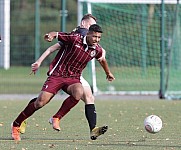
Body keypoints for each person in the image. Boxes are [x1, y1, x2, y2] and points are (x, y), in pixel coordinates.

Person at [11, 24, 114, 141]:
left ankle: (56, 117)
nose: (97, 40)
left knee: (79, 92)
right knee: (40, 103)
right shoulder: (75, 38)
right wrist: (50, 35)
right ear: (88, 34)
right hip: (57, 75)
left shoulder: (96, 49)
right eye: (95, 36)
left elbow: (102, 60)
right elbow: (57, 34)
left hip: (73, 78)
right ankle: (16, 124)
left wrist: (108, 73)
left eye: (99, 37)